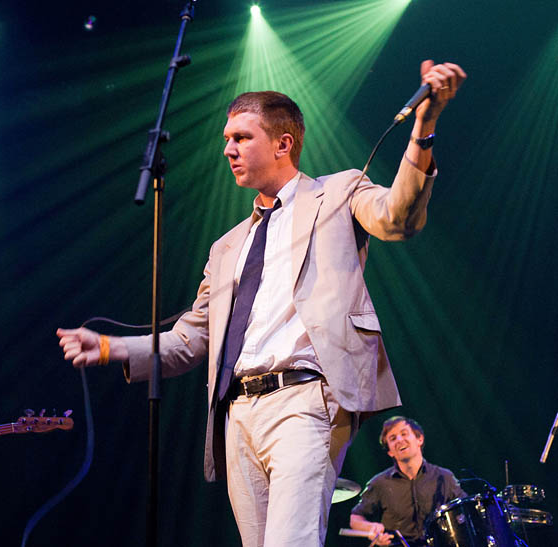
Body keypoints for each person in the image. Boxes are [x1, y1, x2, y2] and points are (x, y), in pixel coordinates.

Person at [57, 60, 466, 546]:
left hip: (305, 398)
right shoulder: (227, 247)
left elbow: (398, 218)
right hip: (237, 413)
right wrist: (110, 347)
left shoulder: (337, 191)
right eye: (226, 140)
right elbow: (192, 339)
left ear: (282, 143)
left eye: (241, 138)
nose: (228, 149)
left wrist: (424, 126)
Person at [349, 416, 466, 546]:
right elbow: (355, 518)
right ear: (390, 452)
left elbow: (465, 511)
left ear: (419, 439)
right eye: (392, 438)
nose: (399, 440)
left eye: (404, 434)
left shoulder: (444, 477)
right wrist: (371, 529)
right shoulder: (380, 483)